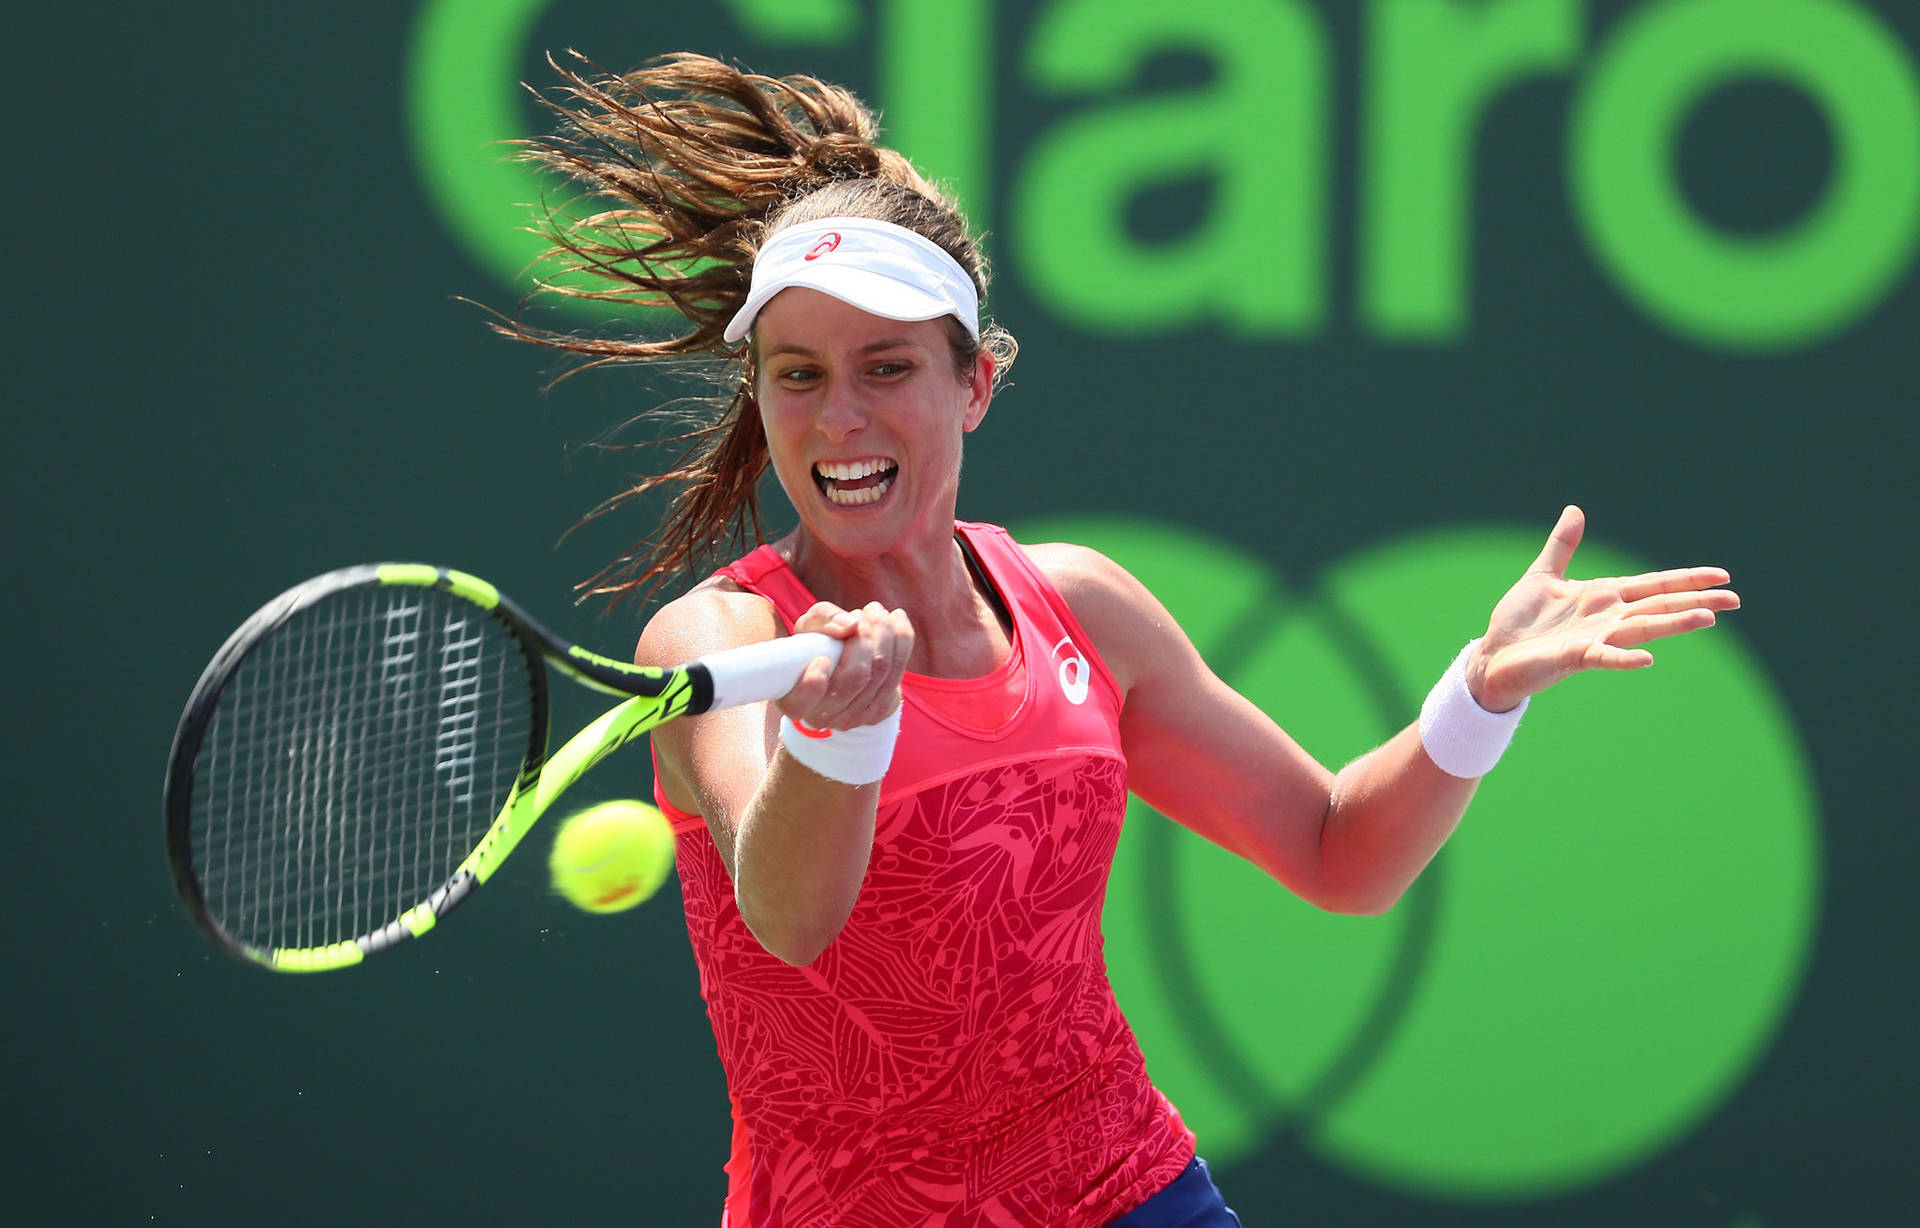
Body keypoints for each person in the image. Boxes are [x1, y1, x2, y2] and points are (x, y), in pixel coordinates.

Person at [499, 52, 1739, 1228]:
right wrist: (837, 738)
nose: (841, 419)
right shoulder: (713, 638)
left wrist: (1479, 694)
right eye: (798, 376)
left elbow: (1337, 852)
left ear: (973, 383)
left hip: (1132, 1189)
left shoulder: (1079, 605)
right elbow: (789, 918)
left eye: (886, 368)